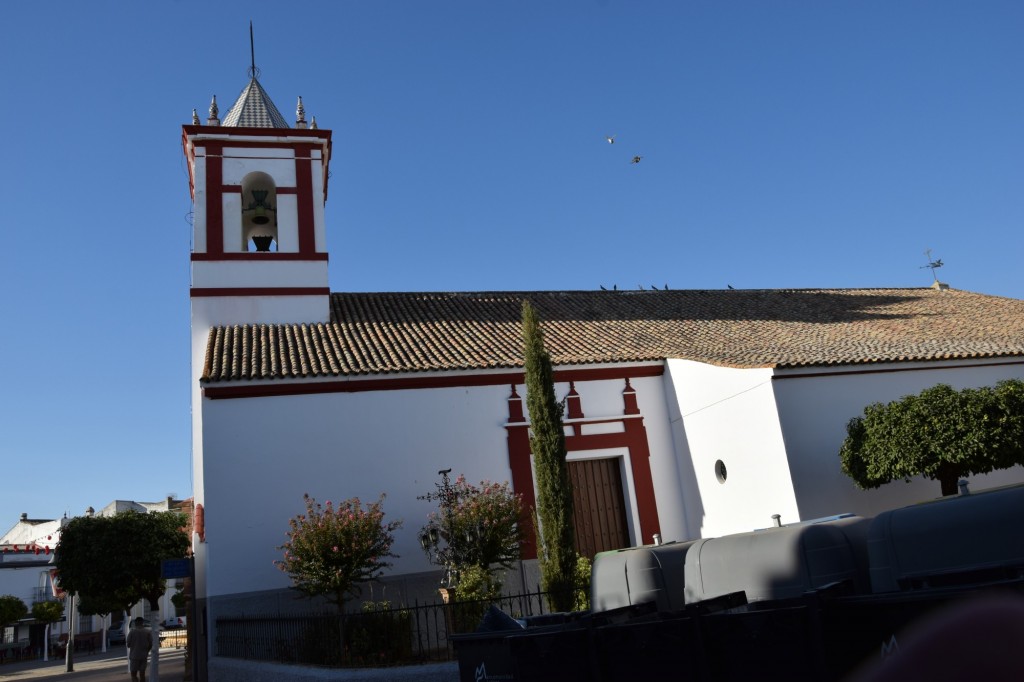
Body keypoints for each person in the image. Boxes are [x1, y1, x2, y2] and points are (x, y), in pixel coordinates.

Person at [125, 617, 152, 682]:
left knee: (133, 674)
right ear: (142, 623)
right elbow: (151, 644)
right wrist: (147, 651)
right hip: (144, 656)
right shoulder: (147, 632)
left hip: (134, 656)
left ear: (136, 623)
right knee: (142, 674)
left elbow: (128, 644)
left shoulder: (132, 632)